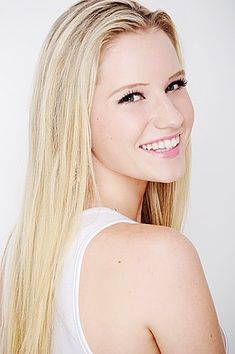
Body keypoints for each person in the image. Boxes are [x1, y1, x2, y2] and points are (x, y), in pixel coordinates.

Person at [0, 0, 228, 353]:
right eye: (132, 96)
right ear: (74, 116)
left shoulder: (25, 254)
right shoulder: (162, 257)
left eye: (174, 85)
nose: (172, 117)